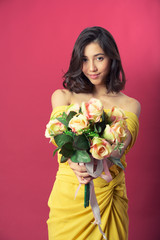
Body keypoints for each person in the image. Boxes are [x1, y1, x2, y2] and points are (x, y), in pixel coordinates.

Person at [46, 26, 141, 240]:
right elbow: (58, 136)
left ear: (112, 58)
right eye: (85, 59)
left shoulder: (130, 105)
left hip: (108, 197)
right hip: (69, 197)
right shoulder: (63, 96)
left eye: (99, 58)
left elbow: (117, 149)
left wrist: (90, 158)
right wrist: (73, 161)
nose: (92, 68)